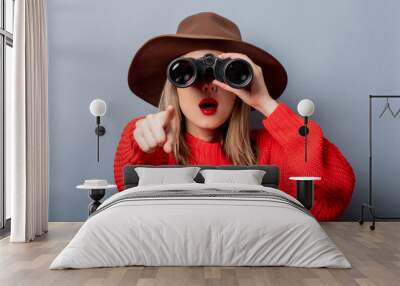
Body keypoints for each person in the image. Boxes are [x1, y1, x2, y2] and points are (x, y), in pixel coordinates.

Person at [114, 12, 356, 221]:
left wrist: (266, 104)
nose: (208, 86)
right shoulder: (156, 147)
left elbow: (331, 197)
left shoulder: (271, 149)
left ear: (240, 82)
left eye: (224, 72)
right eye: (190, 72)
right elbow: (130, 207)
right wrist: (138, 142)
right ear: (175, 86)